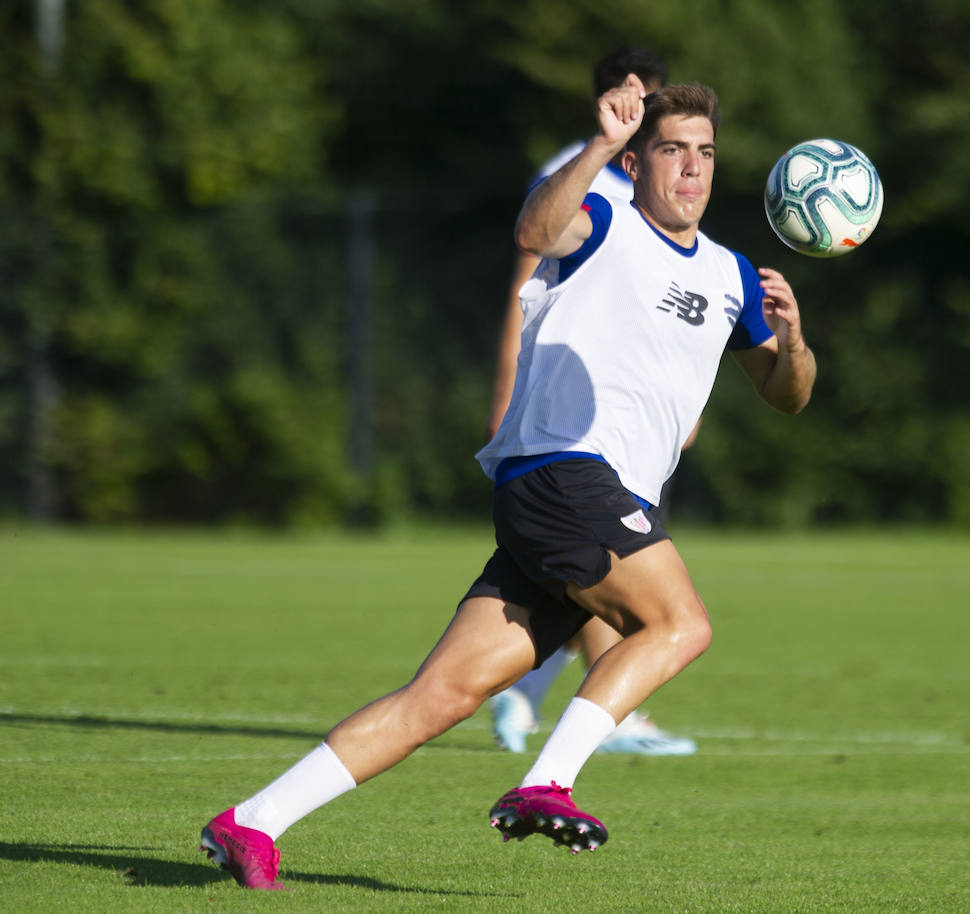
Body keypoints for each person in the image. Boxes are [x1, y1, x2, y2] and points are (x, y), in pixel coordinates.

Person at [198, 76, 816, 890]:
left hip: (579, 501)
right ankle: (547, 781)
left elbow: (788, 394)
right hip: (566, 471)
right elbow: (535, 226)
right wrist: (598, 145)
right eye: (673, 151)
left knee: (442, 696)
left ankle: (251, 822)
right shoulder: (604, 221)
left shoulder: (734, 276)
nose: (692, 169)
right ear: (637, 164)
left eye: (704, 153)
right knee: (680, 624)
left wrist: (795, 338)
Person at [485, 47, 696, 757]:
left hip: (631, 409)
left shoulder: (668, 172)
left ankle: (525, 696)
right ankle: (603, 716)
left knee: (591, 573)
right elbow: (529, 277)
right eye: (626, 93)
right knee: (617, 572)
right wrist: (508, 391)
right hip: (577, 416)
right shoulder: (584, 168)